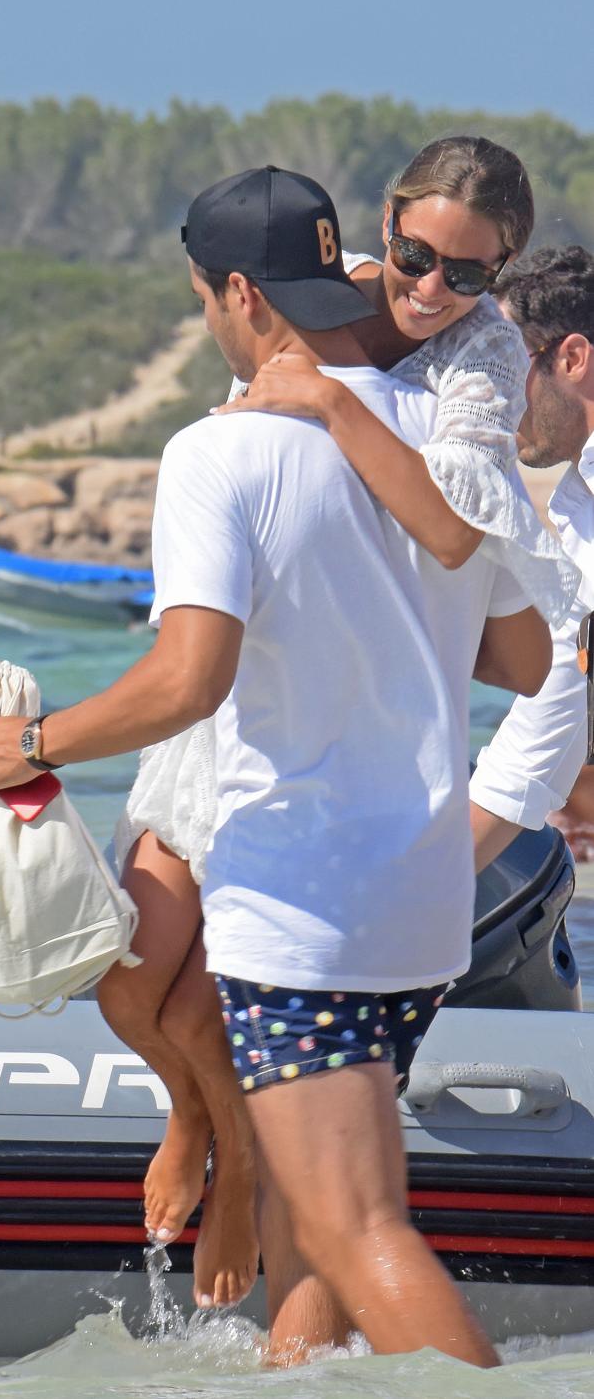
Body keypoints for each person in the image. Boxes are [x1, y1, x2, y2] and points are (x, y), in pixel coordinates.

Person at [0, 165, 540, 1365]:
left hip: (303, 904)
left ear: (226, 291)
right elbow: (523, 656)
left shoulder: (218, 453)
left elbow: (187, 682)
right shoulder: (437, 439)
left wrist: (31, 743)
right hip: (422, 901)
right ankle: (293, 1376)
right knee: (302, 1215)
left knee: (357, 1226)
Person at [103, 136, 574, 1323]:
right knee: (131, 977)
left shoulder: (478, 359)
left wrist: (318, 398)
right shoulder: (315, 281)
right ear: (381, 228)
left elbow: (460, 536)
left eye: (467, 273)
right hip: (269, 677)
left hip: (331, 768)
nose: (429, 290)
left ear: (502, 273)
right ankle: (206, 1133)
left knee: (343, 1207)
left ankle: (251, 1165)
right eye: (414, 256)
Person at [468, 246, 594, 866]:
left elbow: (542, 735)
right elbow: (549, 727)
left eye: (501, 368)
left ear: (570, 358)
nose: (490, 399)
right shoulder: (580, 506)